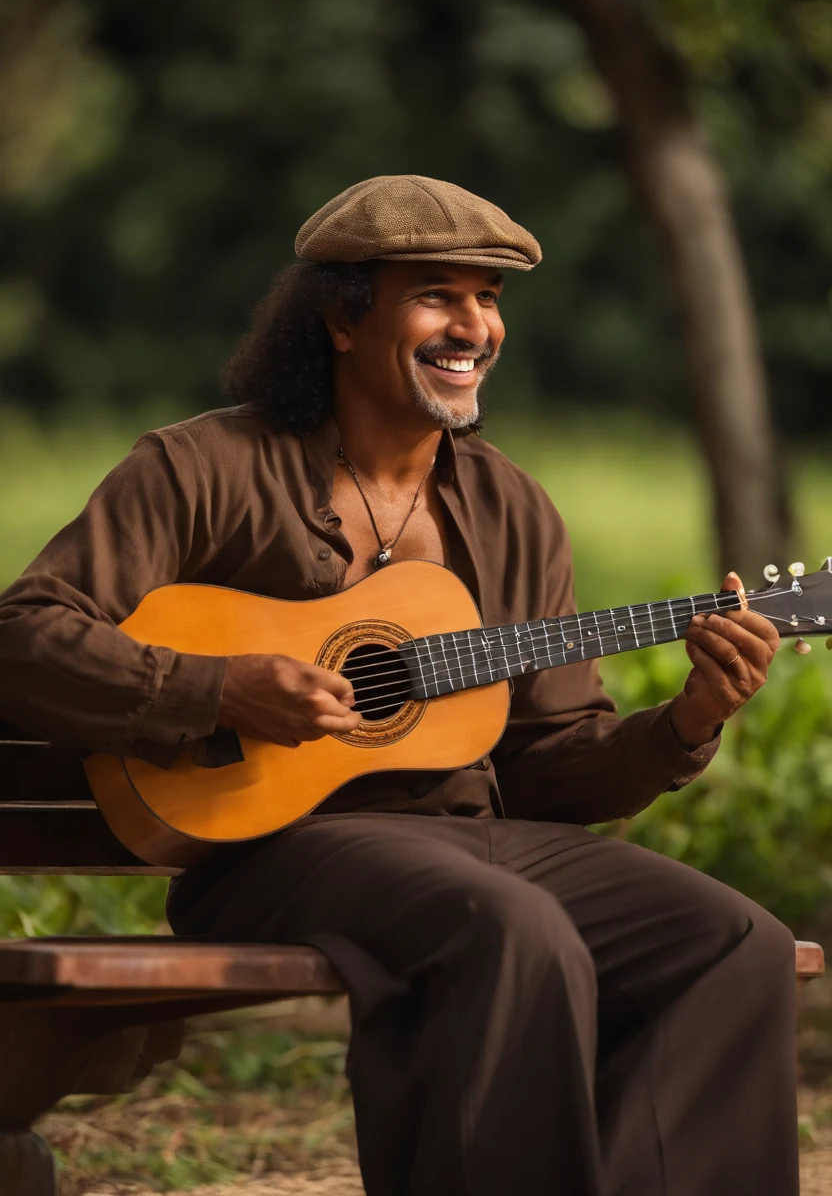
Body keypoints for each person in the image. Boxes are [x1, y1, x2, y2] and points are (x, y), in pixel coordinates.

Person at [0, 176, 793, 1195]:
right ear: (339, 316)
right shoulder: (203, 468)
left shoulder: (512, 510)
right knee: (510, 929)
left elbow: (555, 765)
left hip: (477, 842)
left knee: (734, 941)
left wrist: (688, 720)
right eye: (437, 293)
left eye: (489, 297)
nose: (472, 324)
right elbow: (22, 636)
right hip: (274, 849)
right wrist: (218, 688)